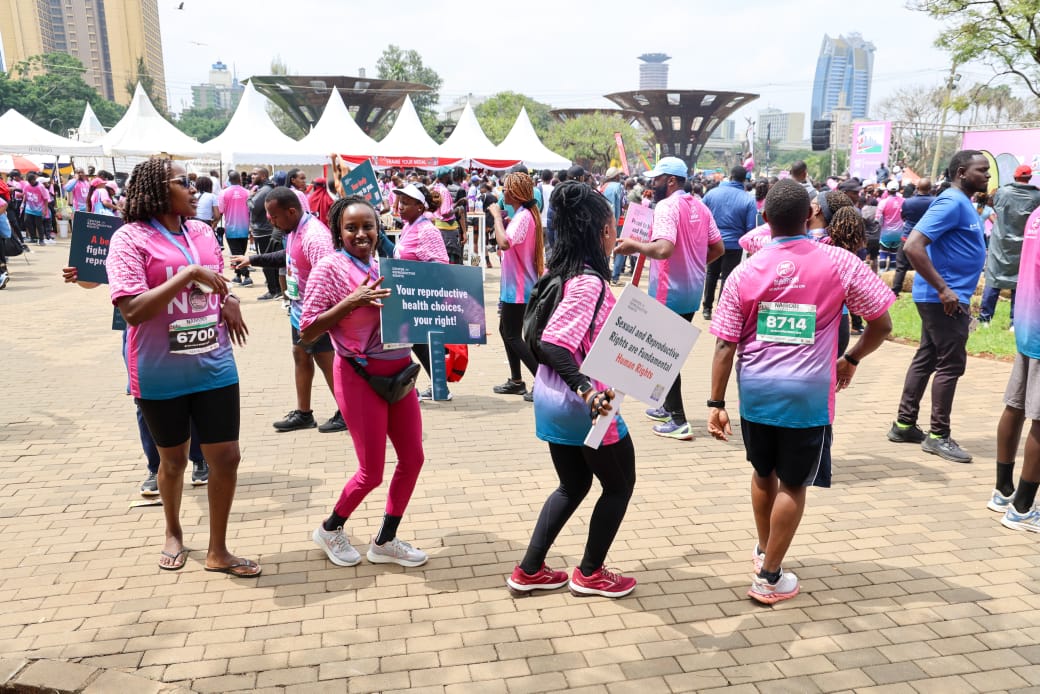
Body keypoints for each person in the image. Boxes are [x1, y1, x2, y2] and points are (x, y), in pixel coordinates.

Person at [708, 179, 894, 604]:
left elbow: (723, 344)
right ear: (810, 216)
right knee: (793, 484)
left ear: (765, 217)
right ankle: (769, 577)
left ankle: (764, 551)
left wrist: (715, 402)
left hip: (755, 393)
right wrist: (851, 358)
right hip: (808, 397)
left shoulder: (745, 270)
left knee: (763, 473)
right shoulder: (840, 263)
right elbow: (882, 324)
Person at [105, 158, 258, 576]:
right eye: (182, 182)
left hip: (214, 361)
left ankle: (218, 550)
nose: (193, 189)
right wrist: (188, 273)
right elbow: (133, 310)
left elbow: (219, 279)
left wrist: (230, 299)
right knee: (172, 461)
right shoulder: (129, 239)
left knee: (227, 456)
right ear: (157, 190)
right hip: (160, 369)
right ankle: (173, 531)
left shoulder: (203, 232)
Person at [506, 180, 637, 598]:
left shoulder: (558, 272)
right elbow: (554, 343)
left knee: (574, 484)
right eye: (612, 227)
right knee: (619, 484)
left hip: (551, 398)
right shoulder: (588, 283)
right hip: (586, 405)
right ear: (603, 232)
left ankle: (529, 569)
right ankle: (591, 573)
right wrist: (587, 392)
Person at [301, 196, 428, 569]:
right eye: (351, 228)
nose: (361, 234)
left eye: (368, 226)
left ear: (378, 228)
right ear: (338, 232)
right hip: (360, 377)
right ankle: (330, 528)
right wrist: (351, 302)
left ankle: (385, 541)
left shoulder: (385, 265)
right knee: (371, 472)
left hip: (399, 375)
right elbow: (307, 330)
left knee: (413, 459)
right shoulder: (329, 268)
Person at [887, 150, 990, 464]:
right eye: (981, 170)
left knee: (928, 356)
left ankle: (904, 425)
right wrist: (944, 289)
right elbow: (913, 245)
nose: (987, 175)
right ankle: (938, 435)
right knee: (951, 364)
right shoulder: (950, 202)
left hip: (943, 296)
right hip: (944, 299)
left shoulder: (963, 202)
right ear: (961, 172)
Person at [615, 156, 724, 440]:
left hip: (668, 292)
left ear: (671, 181)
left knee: (663, 356)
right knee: (668, 352)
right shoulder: (700, 206)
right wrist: (694, 266)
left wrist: (634, 245)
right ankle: (665, 407)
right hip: (691, 292)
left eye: (657, 179)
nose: (652, 183)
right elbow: (718, 248)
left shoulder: (666, 207)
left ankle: (678, 420)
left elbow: (663, 249)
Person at [231, 187, 345, 434]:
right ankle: (304, 413)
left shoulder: (316, 237)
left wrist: (320, 318)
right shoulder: (294, 230)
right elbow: (290, 255)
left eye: (274, 216)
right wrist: (253, 259)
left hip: (317, 313)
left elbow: (330, 277)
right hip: (300, 310)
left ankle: (347, 412)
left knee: (327, 361)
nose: (271, 222)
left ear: (291, 211)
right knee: (300, 355)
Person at [989, 206, 1040, 529]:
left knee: (1016, 404)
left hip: (1027, 319)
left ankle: (1003, 490)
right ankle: (1022, 508)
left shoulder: (1036, 214)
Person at [391, 183, 453, 401]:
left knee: (407, 339)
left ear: (420, 206)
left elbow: (441, 265)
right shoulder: (409, 226)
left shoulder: (427, 230)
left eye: (406, 203)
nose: (400, 207)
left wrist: (420, 283)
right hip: (407, 296)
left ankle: (415, 387)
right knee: (415, 342)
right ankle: (438, 386)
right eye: (400, 202)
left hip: (421, 298)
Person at [488, 172, 545, 401]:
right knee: (506, 331)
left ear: (514, 193)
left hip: (519, 288)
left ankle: (542, 381)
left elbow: (504, 243)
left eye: (505, 190)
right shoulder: (523, 215)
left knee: (512, 334)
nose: (503, 193)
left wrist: (496, 217)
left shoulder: (523, 217)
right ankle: (516, 381)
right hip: (514, 286)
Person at [980, 165, 1040, 327]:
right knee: (1019, 283)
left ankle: (985, 319)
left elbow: (991, 203)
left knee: (993, 279)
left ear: (1014, 176)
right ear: (1029, 178)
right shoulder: (1037, 196)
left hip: (1000, 243)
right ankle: (1015, 322)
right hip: (1024, 245)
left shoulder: (1002, 192)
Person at [701, 165, 756, 320]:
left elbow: (701, 215)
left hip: (713, 243)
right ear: (744, 180)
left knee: (711, 274)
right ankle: (721, 309)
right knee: (727, 277)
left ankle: (706, 308)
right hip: (734, 245)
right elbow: (750, 228)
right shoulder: (748, 200)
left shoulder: (712, 194)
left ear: (730, 177)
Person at [892, 178, 936, 296]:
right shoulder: (935, 202)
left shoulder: (908, 202)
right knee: (927, 266)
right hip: (926, 238)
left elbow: (903, 217)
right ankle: (926, 291)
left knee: (901, 266)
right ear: (930, 189)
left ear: (917, 188)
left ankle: (895, 291)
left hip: (908, 237)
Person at [248, 168, 282, 301]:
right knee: (269, 261)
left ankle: (274, 290)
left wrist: (249, 196)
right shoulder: (264, 188)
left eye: (255, 174)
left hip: (264, 231)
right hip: (264, 230)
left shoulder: (265, 190)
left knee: (267, 262)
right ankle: (276, 288)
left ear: (263, 176)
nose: (252, 176)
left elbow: (254, 207)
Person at [219, 172, 252, 286]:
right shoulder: (247, 192)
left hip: (231, 228)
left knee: (237, 253)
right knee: (240, 252)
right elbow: (250, 209)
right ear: (240, 179)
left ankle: (247, 276)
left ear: (229, 180)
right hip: (244, 227)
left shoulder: (223, 193)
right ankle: (238, 276)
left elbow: (220, 210)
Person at [21, 172, 52, 245]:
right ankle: (33, 237)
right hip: (29, 208)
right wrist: (22, 203)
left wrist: (45, 209)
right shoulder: (27, 186)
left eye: (32, 181)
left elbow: (46, 199)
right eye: (29, 181)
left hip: (38, 208)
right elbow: (25, 194)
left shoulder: (40, 187)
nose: (31, 183)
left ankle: (41, 239)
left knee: (39, 224)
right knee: (27, 221)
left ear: (35, 179)